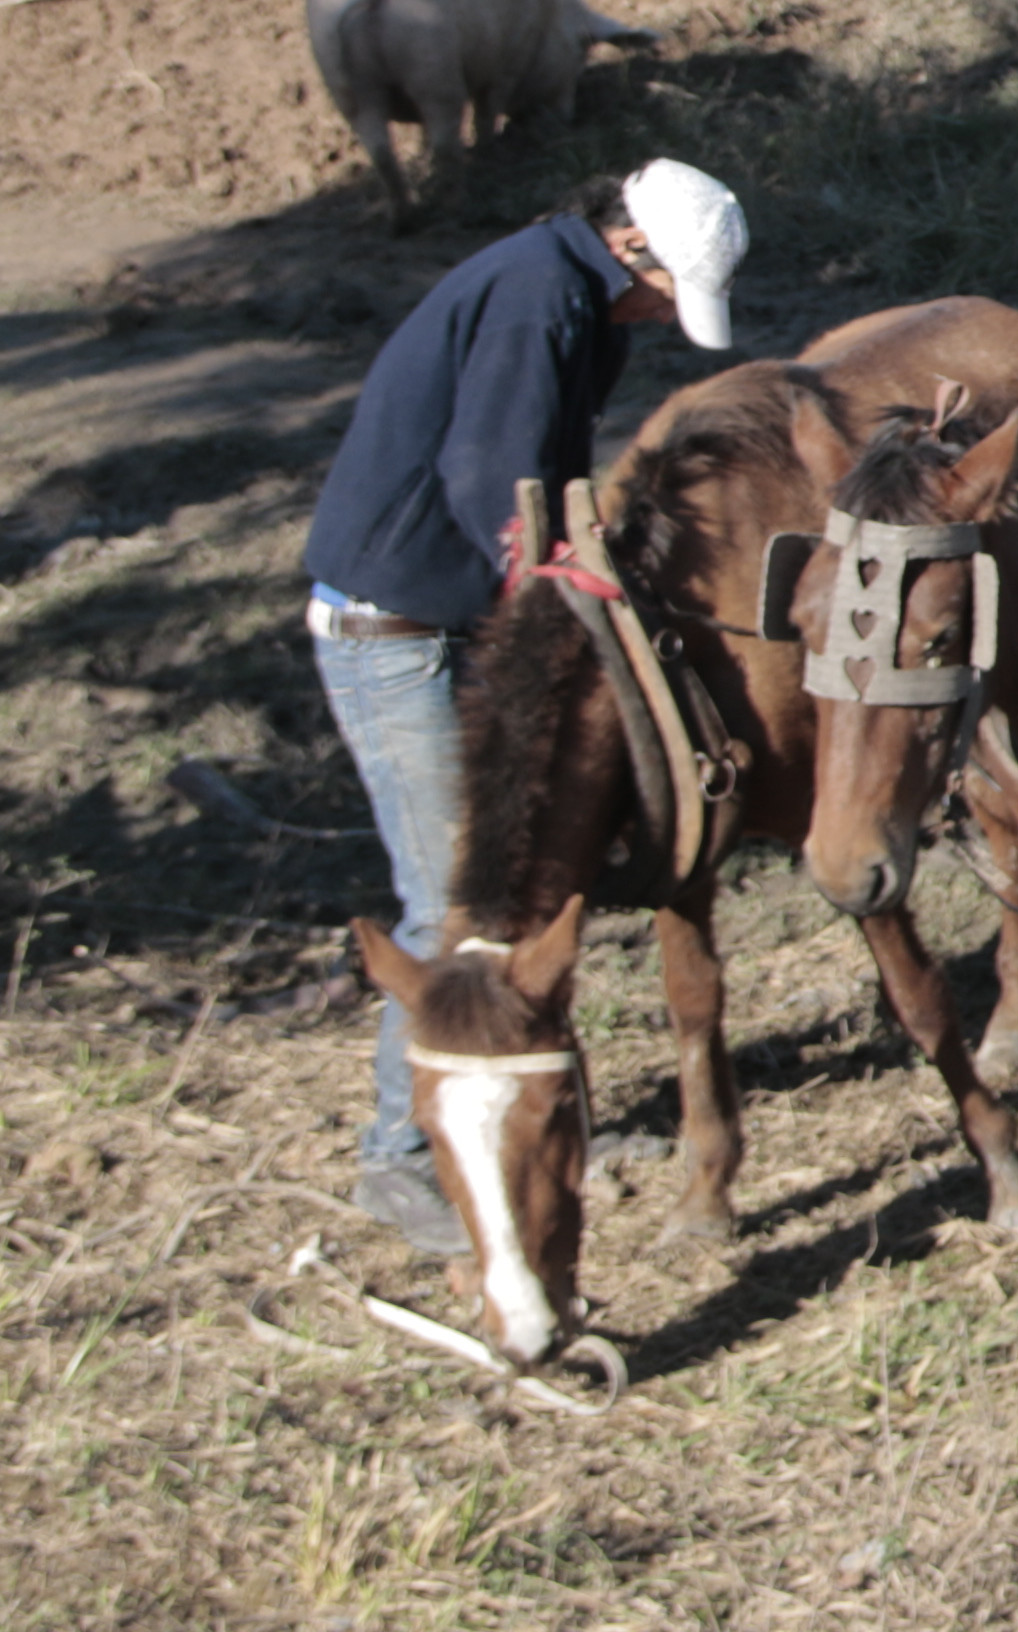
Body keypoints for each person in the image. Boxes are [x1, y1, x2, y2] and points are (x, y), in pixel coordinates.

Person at [300, 160, 748, 1256]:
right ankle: (399, 1161)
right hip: (395, 630)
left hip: (444, 618)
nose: (655, 314)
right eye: (661, 290)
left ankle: (538, 1101)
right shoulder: (538, 295)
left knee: (523, 881)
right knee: (446, 901)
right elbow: (489, 478)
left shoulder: (570, 294)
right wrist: (551, 601)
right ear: (632, 248)